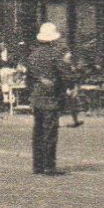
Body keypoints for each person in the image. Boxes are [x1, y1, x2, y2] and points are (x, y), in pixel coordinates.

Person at [27, 23, 73, 175]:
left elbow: (29, 79)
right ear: (53, 39)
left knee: (38, 131)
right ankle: (49, 166)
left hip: (36, 97)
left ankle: (37, 166)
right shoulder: (55, 54)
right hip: (51, 98)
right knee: (50, 132)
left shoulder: (33, 55)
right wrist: (70, 85)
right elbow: (64, 74)